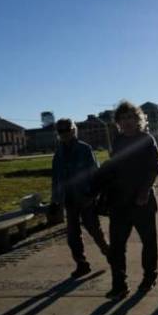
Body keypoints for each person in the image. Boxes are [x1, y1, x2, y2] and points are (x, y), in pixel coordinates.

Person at [93, 101, 158, 300]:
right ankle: (119, 285)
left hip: (142, 202)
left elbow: (155, 167)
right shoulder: (118, 141)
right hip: (119, 202)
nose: (127, 121)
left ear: (138, 119)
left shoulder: (146, 139)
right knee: (116, 247)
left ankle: (149, 277)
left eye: (131, 117)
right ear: (118, 122)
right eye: (123, 118)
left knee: (148, 242)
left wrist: (144, 191)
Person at [51, 119, 110, 278]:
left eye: (67, 129)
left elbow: (95, 173)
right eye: (60, 131)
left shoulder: (84, 149)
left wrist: (93, 193)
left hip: (85, 196)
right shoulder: (58, 153)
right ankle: (81, 264)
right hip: (68, 199)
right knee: (72, 235)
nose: (64, 133)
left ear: (73, 130)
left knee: (94, 230)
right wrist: (55, 200)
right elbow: (56, 177)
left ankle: (109, 254)